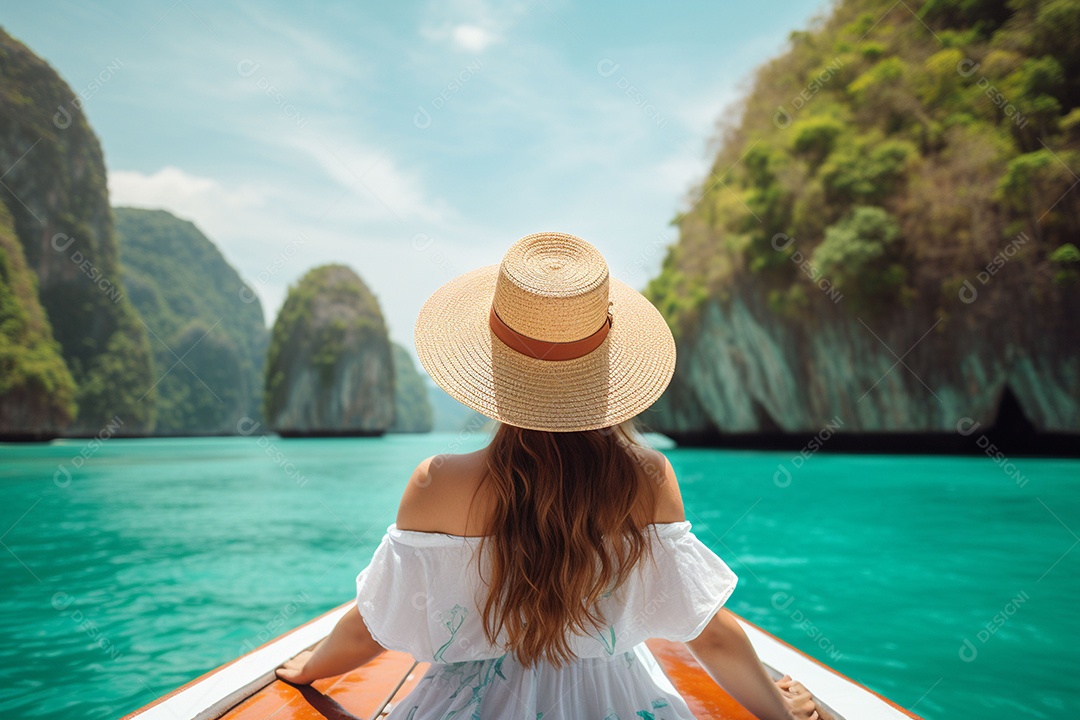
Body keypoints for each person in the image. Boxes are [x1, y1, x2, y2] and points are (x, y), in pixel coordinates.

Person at [276, 232, 828, 719]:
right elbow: (709, 634)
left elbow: (374, 622)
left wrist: (312, 668)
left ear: (492, 363)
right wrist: (779, 710)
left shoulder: (436, 482)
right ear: (608, 366)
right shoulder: (649, 477)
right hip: (615, 699)